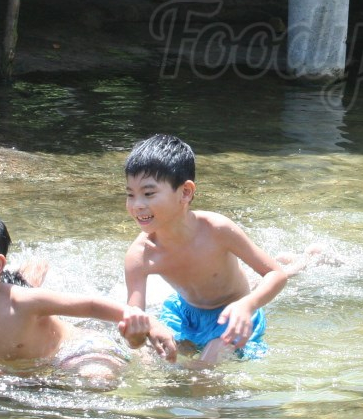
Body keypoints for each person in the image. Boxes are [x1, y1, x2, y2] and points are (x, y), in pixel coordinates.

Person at [0, 208, 175, 386]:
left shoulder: (23, 302)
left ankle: (140, 353)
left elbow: (91, 306)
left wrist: (150, 323)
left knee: (97, 381)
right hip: (24, 372)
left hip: (77, 351)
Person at [117, 134, 290, 368]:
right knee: (152, 359)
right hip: (183, 314)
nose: (137, 205)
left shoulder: (216, 229)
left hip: (233, 313)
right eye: (130, 194)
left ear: (185, 192)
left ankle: (305, 260)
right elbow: (134, 320)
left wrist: (247, 305)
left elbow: (276, 274)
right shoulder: (140, 255)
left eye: (148, 194)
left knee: (205, 367)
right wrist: (141, 331)